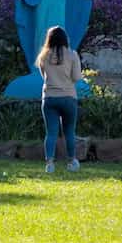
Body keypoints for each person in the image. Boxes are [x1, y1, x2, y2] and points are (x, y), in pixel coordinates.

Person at [36, 25, 86, 171]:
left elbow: (43, 75)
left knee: (51, 133)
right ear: (65, 39)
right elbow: (76, 77)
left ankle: (49, 163)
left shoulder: (43, 56)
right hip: (68, 97)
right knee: (69, 131)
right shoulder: (72, 55)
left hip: (49, 97)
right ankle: (71, 162)